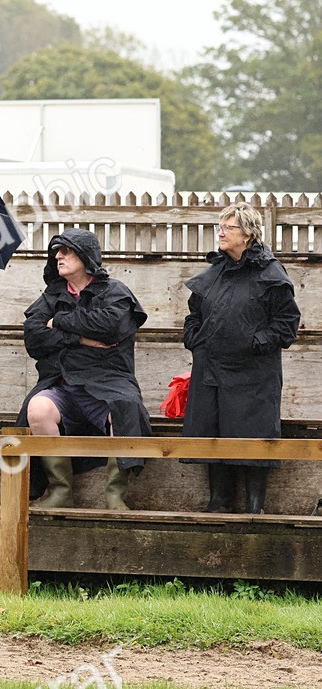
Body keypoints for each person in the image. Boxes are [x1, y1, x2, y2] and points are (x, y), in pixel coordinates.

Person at [18, 228, 151, 510]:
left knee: (124, 407)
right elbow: (34, 338)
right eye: (56, 251)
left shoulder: (114, 292)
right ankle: (60, 492)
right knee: (37, 408)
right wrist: (79, 338)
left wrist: (59, 322)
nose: (58, 256)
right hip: (61, 381)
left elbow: (110, 327)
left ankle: (115, 496)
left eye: (66, 250)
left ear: (85, 256)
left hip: (109, 380)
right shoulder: (51, 296)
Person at [181, 202, 300, 514]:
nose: (221, 232)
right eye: (220, 227)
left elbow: (287, 325)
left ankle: (254, 507)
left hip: (254, 373)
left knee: (253, 432)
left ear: (247, 235)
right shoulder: (213, 273)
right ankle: (219, 501)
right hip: (211, 369)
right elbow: (193, 316)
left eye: (228, 228)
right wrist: (195, 340)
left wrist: (255, 343)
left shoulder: (271, 273)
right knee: (212, 428)